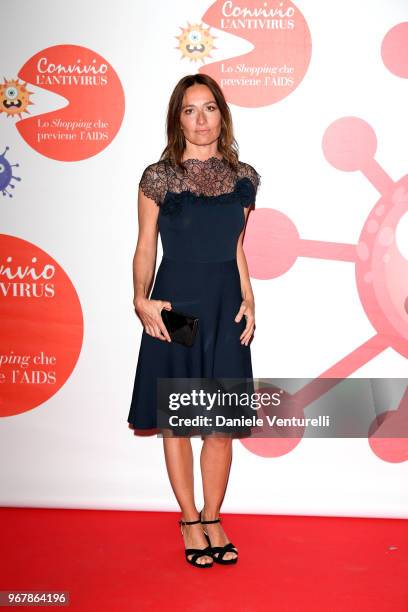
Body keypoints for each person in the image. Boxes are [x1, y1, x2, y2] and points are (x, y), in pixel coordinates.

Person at [128, 73, 261, 568]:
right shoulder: (158, 177)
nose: (201, 119)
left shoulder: (243, 177)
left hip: (226, 308)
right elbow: (145, 247)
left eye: (209, 108)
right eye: (190, 109)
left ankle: (213, 516)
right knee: (181, 423)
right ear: (176, 118)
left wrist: (249, 294)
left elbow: (237, 246)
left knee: (221, 425)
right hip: (178, 310)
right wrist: (140, 298)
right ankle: (189, 520)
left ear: (222, 115)